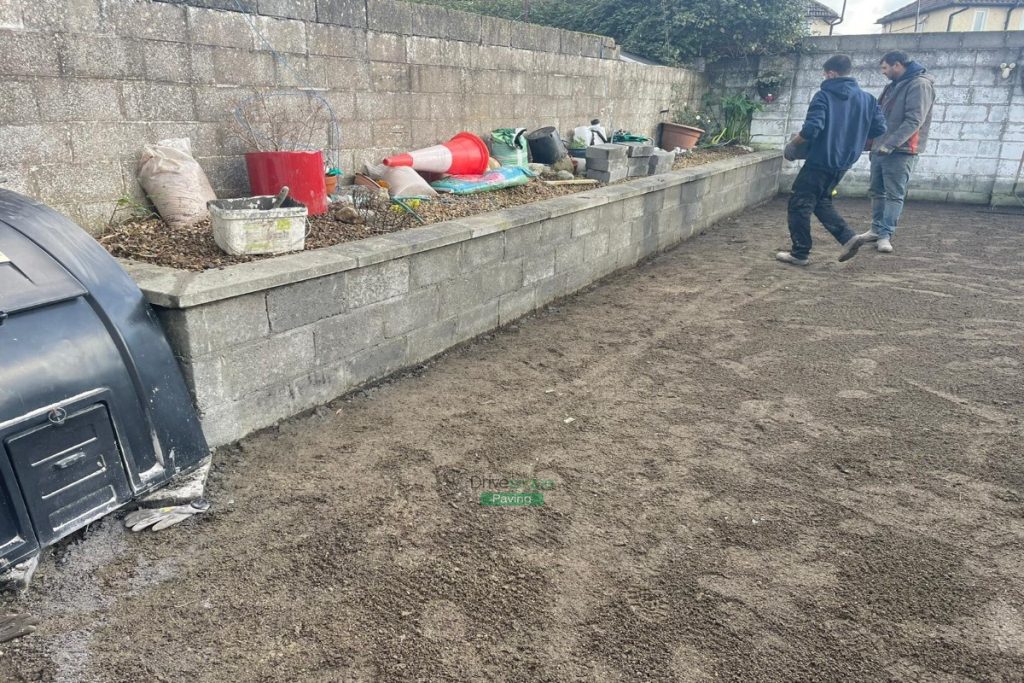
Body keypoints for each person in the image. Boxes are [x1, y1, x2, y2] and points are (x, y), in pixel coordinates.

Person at [777, 54, 887, 267]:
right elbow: (880, 128)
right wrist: (854, 140)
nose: (825, 78)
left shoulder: (824, 96)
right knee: (821, 200)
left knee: (799, 203)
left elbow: (812, 128)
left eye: (826, 74)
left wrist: (793, 145)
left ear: (832, 73)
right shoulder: (868, 99)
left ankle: (800, 253)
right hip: (844, 161)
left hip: (821, 159)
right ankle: (847, 237)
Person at [860, 51, 936, 254]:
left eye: (885, 68)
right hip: (880, 148)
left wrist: (890, 144)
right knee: (876, 191)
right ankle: (876, 230)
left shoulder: (919, 85)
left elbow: (914, 120)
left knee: (894, 195)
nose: (883, 72)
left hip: (901, 150)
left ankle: (885, 235)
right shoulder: (892, 86)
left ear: (898, 65)